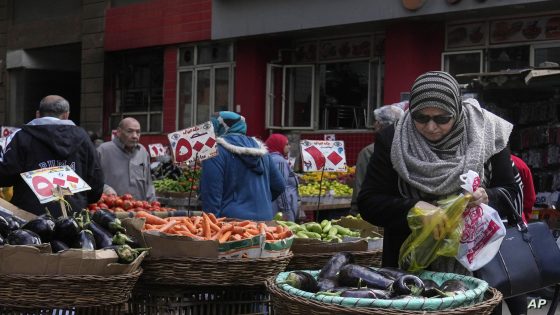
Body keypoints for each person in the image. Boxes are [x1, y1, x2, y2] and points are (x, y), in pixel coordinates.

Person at [357, 71, 523, 314]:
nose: (431, 127)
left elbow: (511, 193)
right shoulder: (392, 140)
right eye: (421, 118)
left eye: (442, 118)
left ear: (457, 110)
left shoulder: (490, 134)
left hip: (478, 269)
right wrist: (414, 209)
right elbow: (368, 202)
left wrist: (487, 196)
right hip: (411, 275)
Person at [0, 95, 104, 217]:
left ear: (38, 114)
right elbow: (96, 181)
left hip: (31, 217)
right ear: (66, 115)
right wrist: (80, 200)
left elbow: (6, 175)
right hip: (74, 217)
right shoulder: (83, 138)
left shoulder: (22, 137)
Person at [199, 111, 285, 221]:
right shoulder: (262, 152)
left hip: (231, 225)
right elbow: (279, 185)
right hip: (265, 222)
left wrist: (211, 226)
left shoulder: (215, 152)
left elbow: (211, 194)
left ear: (218, 127)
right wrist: (262, 202)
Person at [350, 105, 404, 214]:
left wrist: (355, 211)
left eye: (376, 121)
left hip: (376, 214)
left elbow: (360, 189)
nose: (374, 124)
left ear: (380, 124)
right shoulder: (410, 150)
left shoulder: (369, 152)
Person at [97, 117, 155, 201]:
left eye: (138, 132)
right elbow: (91, 179)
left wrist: (153, 204)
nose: (135, 136)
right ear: (119, 132)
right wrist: (105, 189)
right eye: (129, 131)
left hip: (140, 209)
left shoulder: (142, 151)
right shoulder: (103, 151)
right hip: (112, 209)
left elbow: (148, 183)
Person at [265, 133, 301, 222]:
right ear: (278, 144)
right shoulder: (279, 161)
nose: (289, 147)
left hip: (273, 207)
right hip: (280, 210)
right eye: (286, 144)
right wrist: (287, 211)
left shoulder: (269, 158)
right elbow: (281, 188)